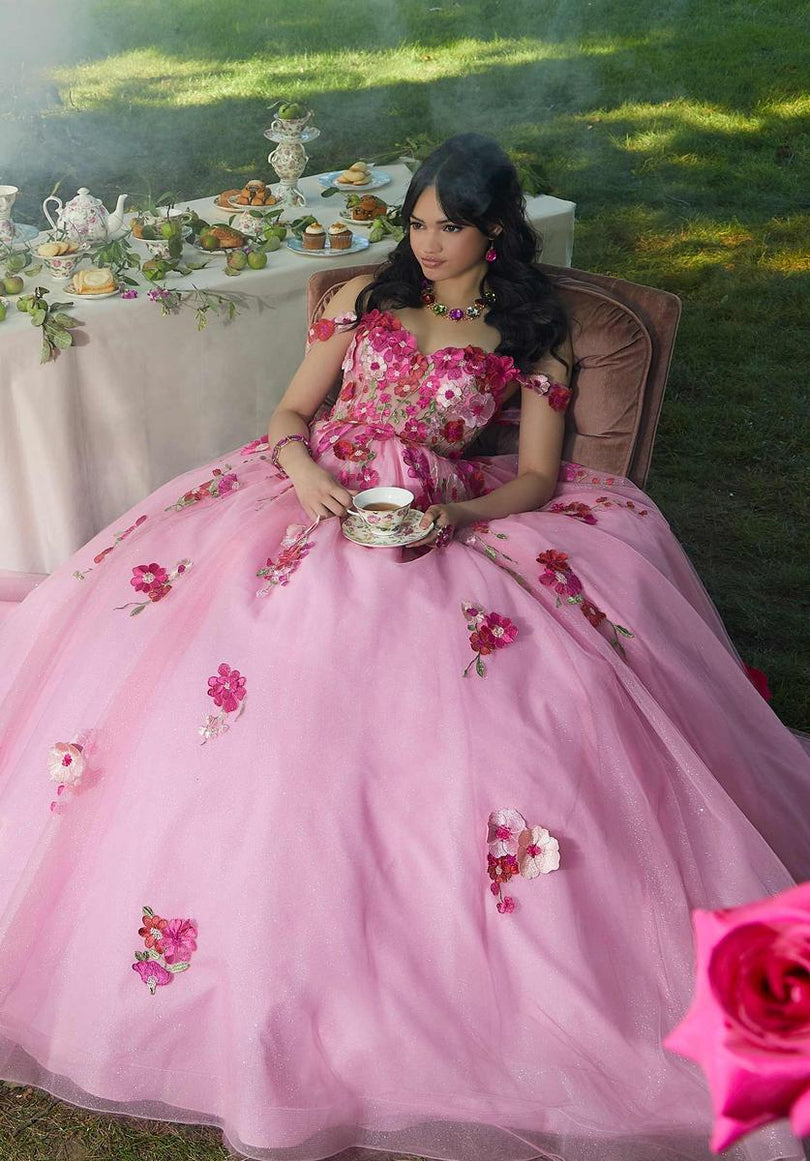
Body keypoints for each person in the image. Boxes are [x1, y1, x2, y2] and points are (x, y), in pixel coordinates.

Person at [0, 133, 808, 1161]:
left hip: (438, 512)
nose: (427, 244)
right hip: (304, 493)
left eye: (449, 227)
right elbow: (291, 411)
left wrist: (453, 519)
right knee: (223, 644)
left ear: (496, 230)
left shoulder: (533, 336)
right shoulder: (362, 302)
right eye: (417, 223)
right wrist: (301, 468)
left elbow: (536, 479)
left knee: (482, 673)